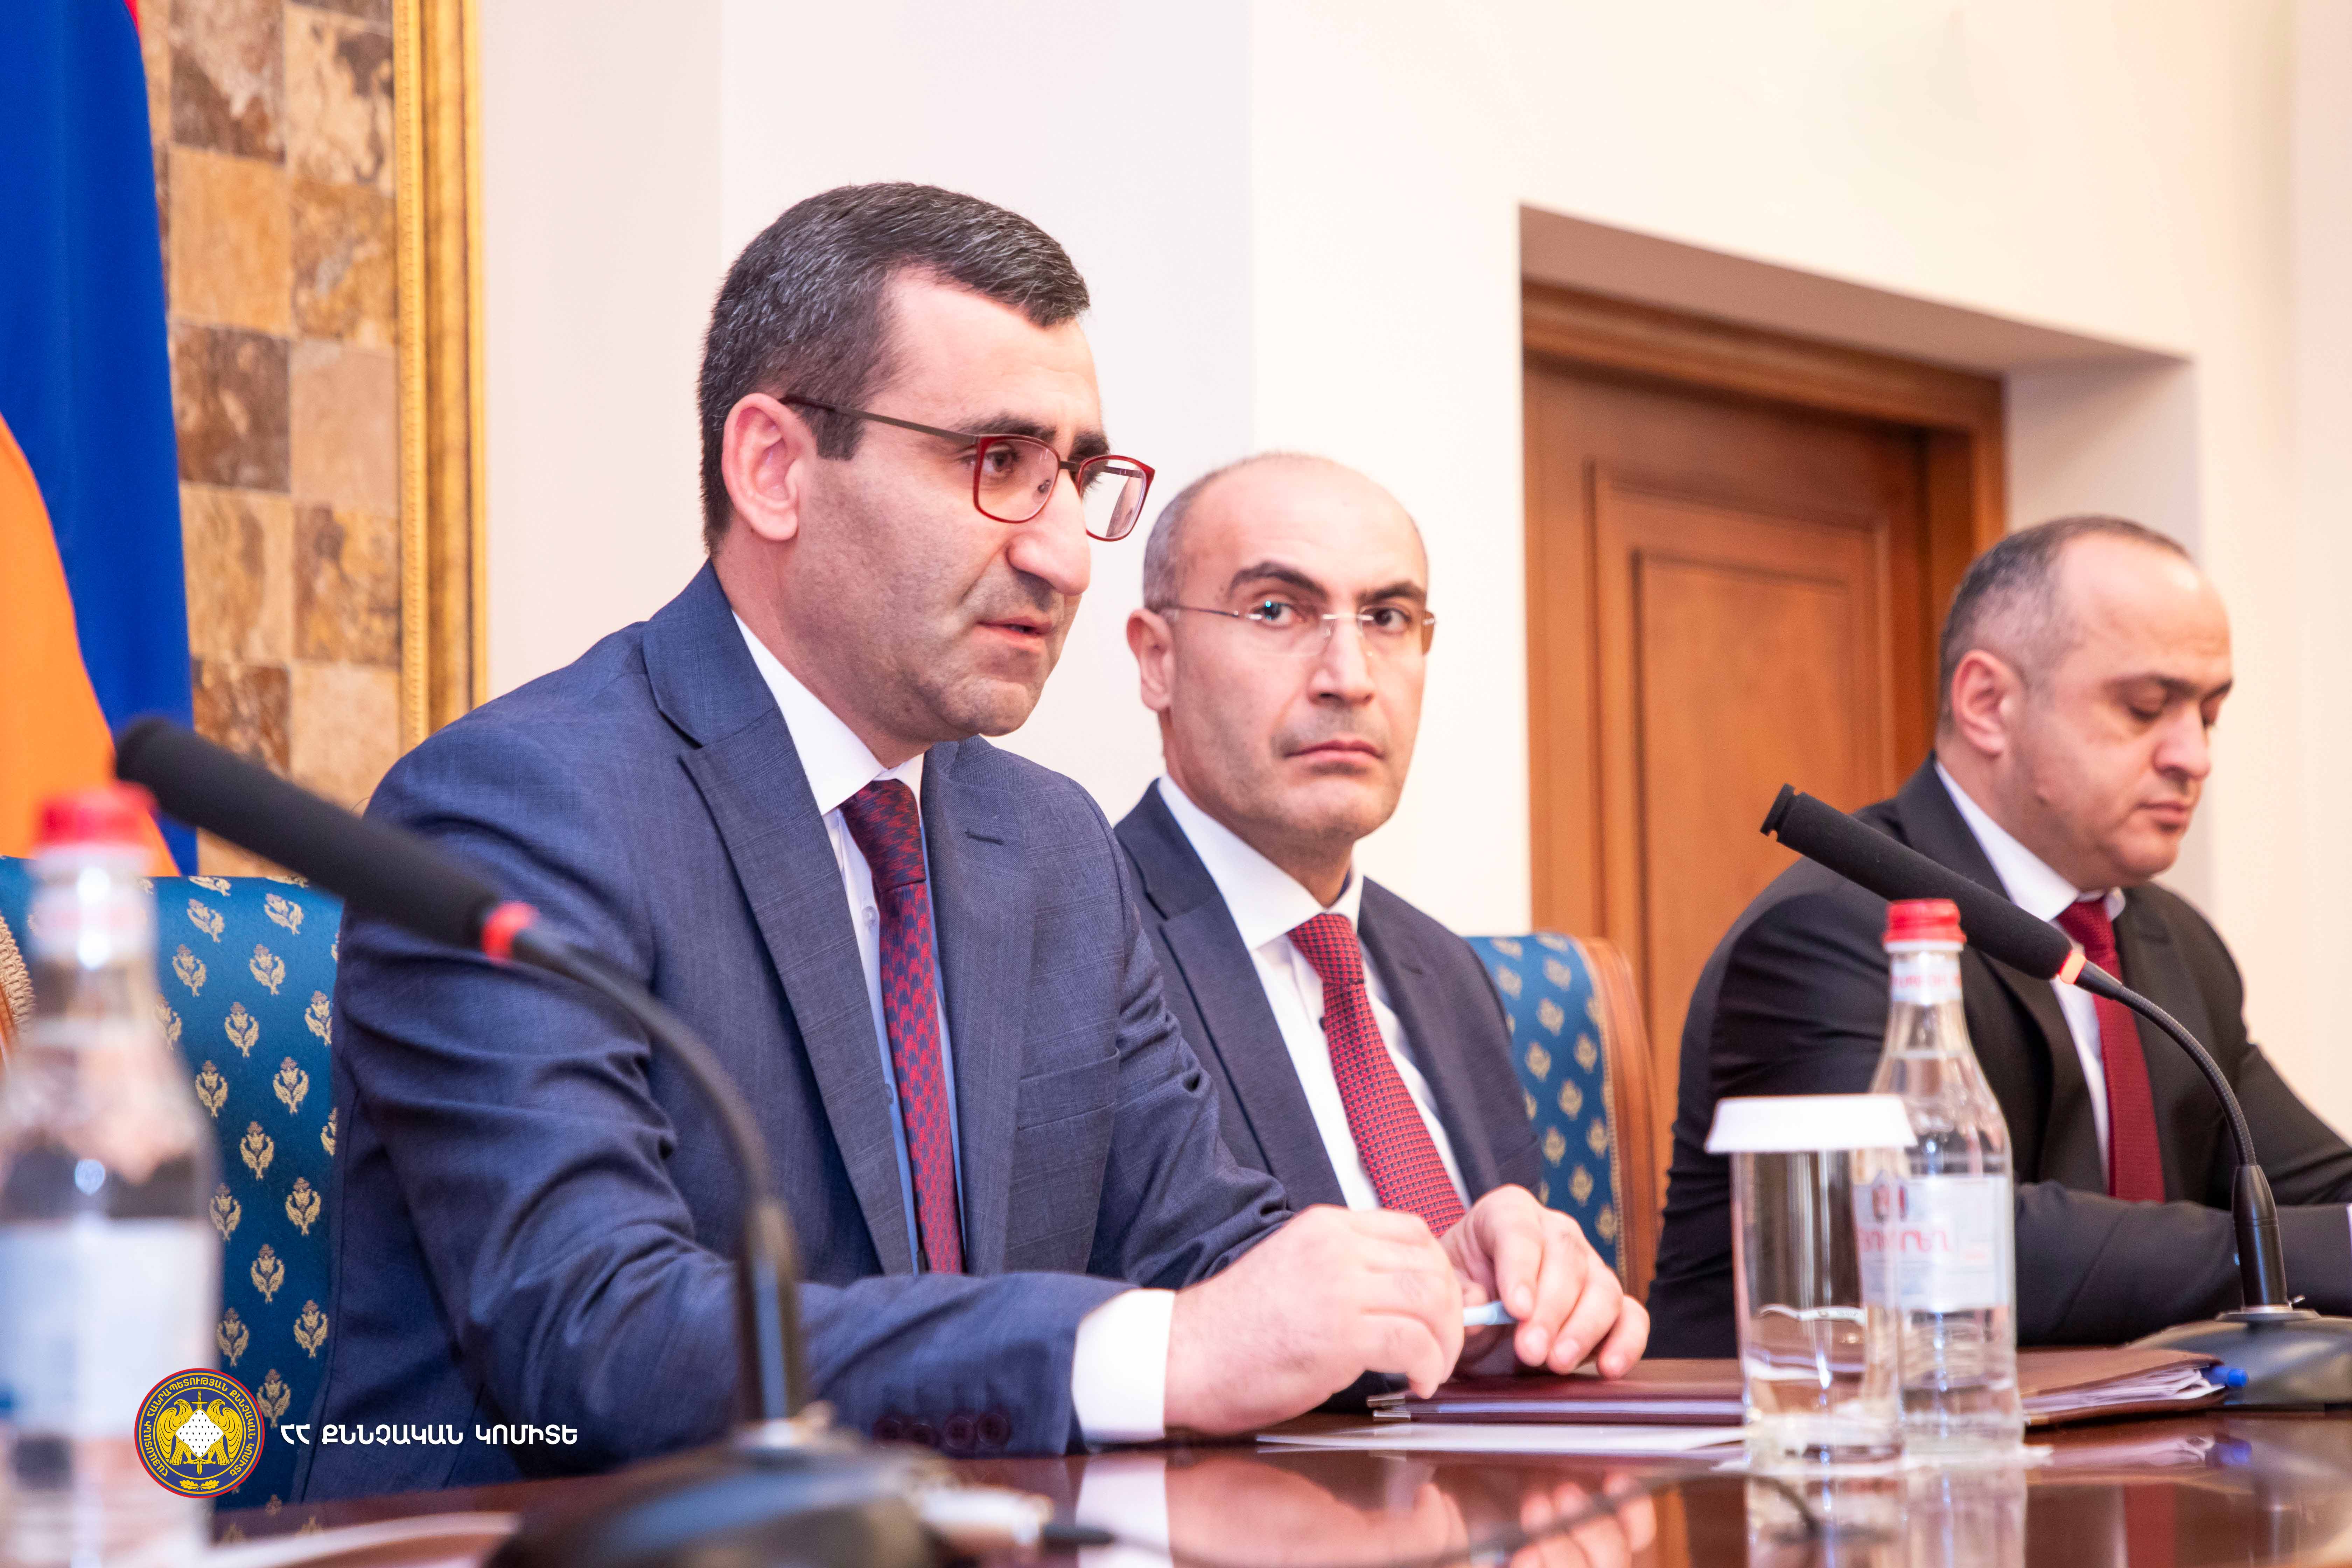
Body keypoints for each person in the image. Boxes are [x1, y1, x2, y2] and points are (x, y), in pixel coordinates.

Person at [301, 185, 1634, 1499]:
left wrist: (1430, 1298)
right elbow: (594, 1331)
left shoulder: (1047, 841)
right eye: (998, 465)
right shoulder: (519, 806)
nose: (1065, 556)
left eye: (1078, 479)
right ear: (775, 469)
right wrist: (1147, 1353)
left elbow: (1204, 1243)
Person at [1648, 515, 2352, 1355]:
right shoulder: (1827, 930)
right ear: (1987, 704)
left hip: (2103, 1427)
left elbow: (2311, 1186)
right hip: (1818, 1430)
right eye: (2145, 707)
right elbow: (1942, 1241)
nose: (2194, 755)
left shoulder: (2174, 940)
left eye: (2209, 714)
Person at [1115, 453, 1644, 1378]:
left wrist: (1547, 1309)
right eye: (1276, 610)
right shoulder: (1077, 939)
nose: (1349, 676)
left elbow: (1492, 1325)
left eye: (1388, 618)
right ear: (1159, 659)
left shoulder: (1448, 971)